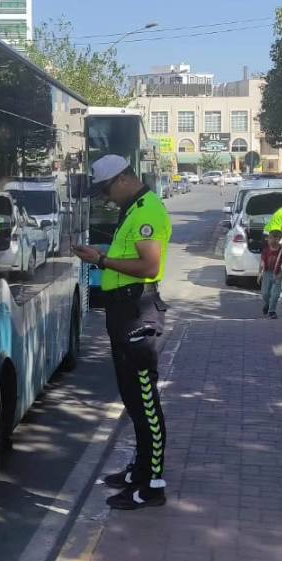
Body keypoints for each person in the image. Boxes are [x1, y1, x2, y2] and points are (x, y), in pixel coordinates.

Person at [74, 155, 171, 510]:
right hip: (123, 311)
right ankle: (139, 470)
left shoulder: (147, 211)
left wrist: (100, 261)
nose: (107, 198)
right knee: (132, 399)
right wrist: (103, 254)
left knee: (146, 403)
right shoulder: (133, 209)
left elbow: (149, 265)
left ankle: (153, 484)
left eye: (107, 190)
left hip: (137, 313)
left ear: (124, 179)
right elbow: (128, 256)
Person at [259, 229, 282, 319]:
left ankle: (272, 311)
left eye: (275, 238)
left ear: (279, 239)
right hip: (267, 273)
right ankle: (268, 304)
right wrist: (259, 273)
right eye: (270, 238)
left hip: (277, 273)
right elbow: (262, 261)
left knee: (275, 294)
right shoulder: (266, 250)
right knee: (265, 293)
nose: (272, 240)